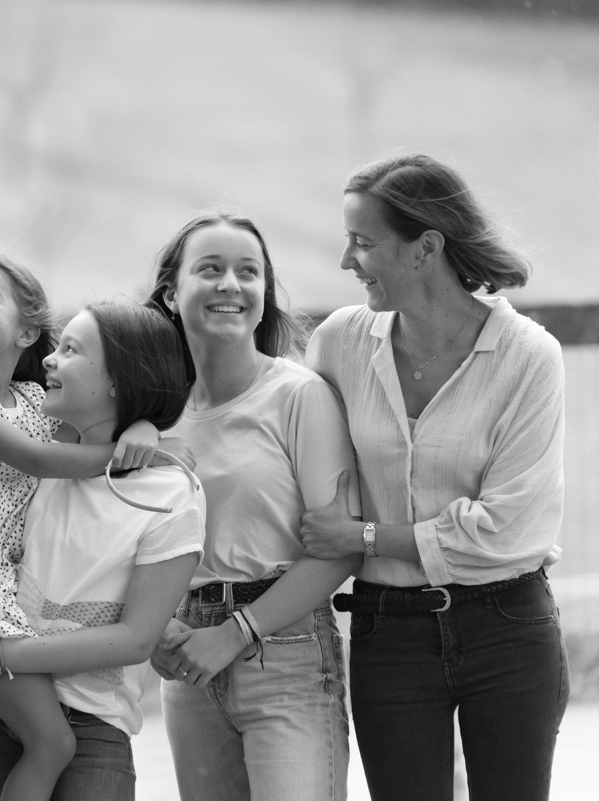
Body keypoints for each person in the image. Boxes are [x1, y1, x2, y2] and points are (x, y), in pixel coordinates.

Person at [302, 153, 568, 801]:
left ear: (425, 248)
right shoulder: (340, 342)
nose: (345, 262)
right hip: (386, 632)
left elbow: (504, 529)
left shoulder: (529, 357)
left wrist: (362, 535)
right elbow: (283, 439)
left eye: (362, 243)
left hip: (506, 625)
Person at [0, 301, 206, 801]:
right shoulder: (32, 451)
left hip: (92, 724)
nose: (50, 359)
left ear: (121, 379)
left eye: (71, 350)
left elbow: (136, 639)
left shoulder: (170, 494)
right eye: (56, 348)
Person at [144, 212, 360, 801]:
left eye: (248, 272)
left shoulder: (298, 396)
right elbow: (117, 538)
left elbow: (337, 551)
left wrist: (235, 633)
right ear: (171, 292)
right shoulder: (152, 416)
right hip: (186, 657)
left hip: (285, 652)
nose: (230, 286)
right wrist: (155, 628)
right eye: (209, 269)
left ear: (263, 295)